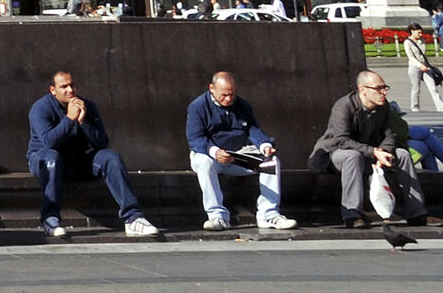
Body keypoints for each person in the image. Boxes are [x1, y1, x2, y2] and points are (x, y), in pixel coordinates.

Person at [29, 70, 159, 240]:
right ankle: (50, 219)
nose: (70, 90)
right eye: (64, 87)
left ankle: (133, 218)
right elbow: (48, 142)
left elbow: (101, 142)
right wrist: (69, 119)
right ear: (53, 90)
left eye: (72, 85)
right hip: (45, 161)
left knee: (110, 157)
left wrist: (83, 122)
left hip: (77, 161)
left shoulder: (87, 106)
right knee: (52, 157)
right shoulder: (40, 108)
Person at [311, 69, 443, 229]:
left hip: (368, 152)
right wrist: (374, 152)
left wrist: (384, 152)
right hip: (334, 154)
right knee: (352, 156)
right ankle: (352, 214)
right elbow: (341, 140)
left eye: (385, 87)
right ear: (363, 90)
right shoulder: (344, 105)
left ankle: (417, 212)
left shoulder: (383, 106)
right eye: (379, 88)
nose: (384, 92)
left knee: (402, 154)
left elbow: (390, 135)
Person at [185, 70, 295, 232]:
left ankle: (268, 214)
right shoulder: (198, 107)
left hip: (238, 154)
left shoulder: (242, 105)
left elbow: (253, 129)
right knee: (204, 163)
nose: (229, 99)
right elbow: (195, 139)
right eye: (224, 95)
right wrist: (215, 151)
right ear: (211, 88)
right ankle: (217, 216)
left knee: (271, 161)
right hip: (210, 154)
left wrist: (264, 145)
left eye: (232, 94)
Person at [402, 26, 443, 114]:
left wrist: (426, 66)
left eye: (421, 32)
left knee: (433, 88)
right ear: (412, 31)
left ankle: (441, 108)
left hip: (425, 66)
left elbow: (423, 55)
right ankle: (415, 108)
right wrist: (420, 65)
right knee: (416, 88)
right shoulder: (407, 42)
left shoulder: (422, 41)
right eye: (418, 32)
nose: (420, 34)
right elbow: (410, 57)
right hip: (414, 67)